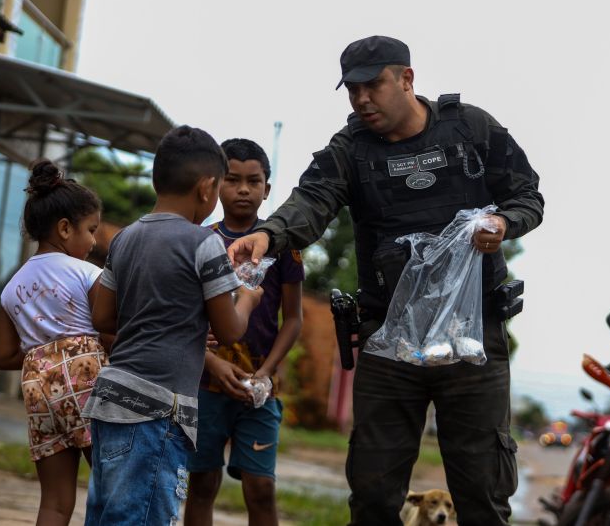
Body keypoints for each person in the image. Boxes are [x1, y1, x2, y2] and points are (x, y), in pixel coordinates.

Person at [228, 36, 544, 525]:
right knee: (374, 494)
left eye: (373, 85)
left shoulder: (471, 129)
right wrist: (269, 235)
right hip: (388, 340)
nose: (361, 99)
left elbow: (528, 196)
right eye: (352, 90)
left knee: (482, 495)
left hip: (472, 337)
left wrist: (504, 225)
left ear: (407, 79)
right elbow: (312, 199)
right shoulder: (351, 148)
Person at [82, 126, 264, 526]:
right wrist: (247, 300)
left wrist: (176, 319)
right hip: (157, 412)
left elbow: (102, 318)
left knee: (106, 517)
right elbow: (231, 331)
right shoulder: (204, 244)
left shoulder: (125, 238)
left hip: (110, 401)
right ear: (206, 187)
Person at [185, 138, 304, 526]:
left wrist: (266, 372)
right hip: (205, 384)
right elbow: (185, 319)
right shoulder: (200, 241)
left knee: (260, 489)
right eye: (233, 180)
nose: (243, 189)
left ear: (267, 189)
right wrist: (211, 363)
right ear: (216, 183)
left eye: (253, 181)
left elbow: (294, 319)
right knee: (201, 484)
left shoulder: (282, 247)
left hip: (259, 388)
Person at [0, 158, 108, 526]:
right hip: (84, 375)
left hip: (36, 384)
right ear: (63, 228)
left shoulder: (11, 287)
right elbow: (110, 328)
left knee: (55, 502)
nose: (93, 241)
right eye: (91, 230)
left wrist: (46, 360)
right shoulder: (87, 273)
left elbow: (4, 355)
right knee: (113, 485)